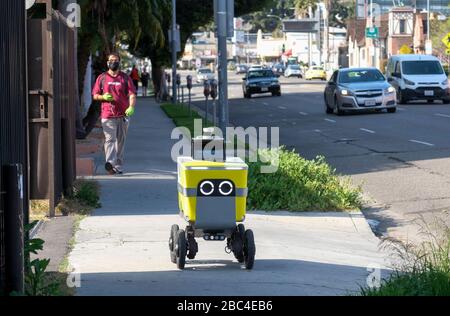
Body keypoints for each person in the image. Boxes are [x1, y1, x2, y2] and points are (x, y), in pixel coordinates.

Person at [92, 53, 137, 175]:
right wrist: (103, 96)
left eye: (116, 60)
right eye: (111, 60)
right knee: (110, 139)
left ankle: (118, 165)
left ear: (119, 62)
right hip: (107, 115)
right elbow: (95, 95)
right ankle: (110, 164)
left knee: (120, 141)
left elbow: (132, 94)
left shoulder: (125, 78)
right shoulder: (102, 78)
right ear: (107, 63)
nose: (113, 62)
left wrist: (131, 107)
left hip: (123, 115)